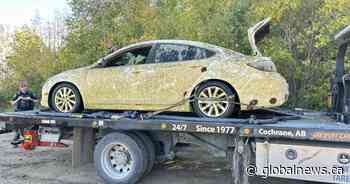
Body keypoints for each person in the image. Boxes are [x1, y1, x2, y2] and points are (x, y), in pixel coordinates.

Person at [10, 80, 38, 147]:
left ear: (27, 87)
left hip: (29, 112)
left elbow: (37, 100)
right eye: (22, 86)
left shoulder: (30, 93)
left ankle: (28, 143)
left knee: (28, 128)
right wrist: (18, 99)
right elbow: (12, 103)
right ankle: (15, 142)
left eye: (25, 86)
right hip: (19, 112)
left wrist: (30, 99)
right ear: (20, 87)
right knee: (19, 128)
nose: (24, 88)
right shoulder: (18, 94)